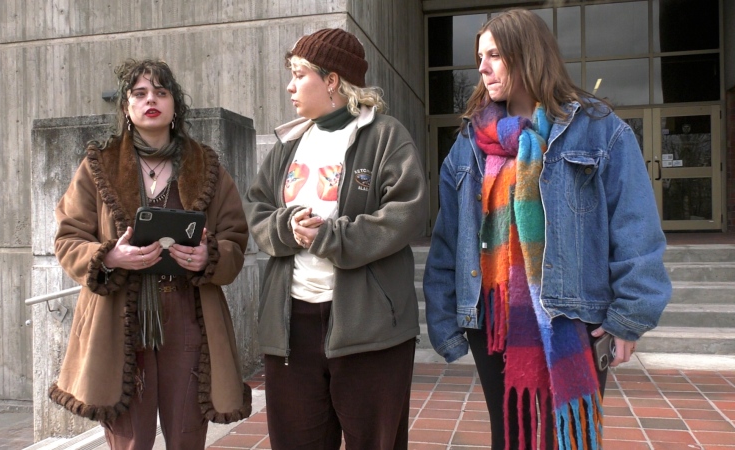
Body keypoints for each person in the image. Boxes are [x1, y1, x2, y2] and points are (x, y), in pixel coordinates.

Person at [424, 9, 671, 450]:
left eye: (494, 55)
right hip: (493, 318)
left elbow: (635, 226)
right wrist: (444, 317)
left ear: (528, 55)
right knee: (512, 435)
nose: (481, 67)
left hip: (575, 313)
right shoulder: (469, 141)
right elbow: (449, 237)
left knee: (566, 438)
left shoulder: (598, 130)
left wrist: (630, 318)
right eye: (480, 56)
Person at [50, 58, 251, 450]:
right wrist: (109, 257)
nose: (151, 100)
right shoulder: (99, 165)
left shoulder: (205, 164)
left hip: (190, 316)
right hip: (119, 319)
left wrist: (209, 255)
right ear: (126, 107)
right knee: (130, 440)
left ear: (176, 104)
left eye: (161, 92)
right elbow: (68, 238)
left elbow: (235, 238)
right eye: (139, 93)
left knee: (187, 435)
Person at [243, 28, 427, 450]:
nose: (290, 86)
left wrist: (332, 236)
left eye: (299, 74)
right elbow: (256, 210)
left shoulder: (385, 136)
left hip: (369, 327)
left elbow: (406, 213)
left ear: (331, 81)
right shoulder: (287, 145)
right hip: (292, 326)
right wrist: (285, 227)